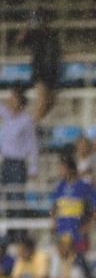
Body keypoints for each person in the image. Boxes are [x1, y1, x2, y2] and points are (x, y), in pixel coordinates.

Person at [50, 153, 96, 252]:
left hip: (78, 234)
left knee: (79, 262)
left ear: (70, 169)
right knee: (64, 263)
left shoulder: (84, 186)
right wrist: (53, 222)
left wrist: (89, 225)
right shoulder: (59, 187)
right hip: (62, 233)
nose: (60, 171)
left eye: (62, 168)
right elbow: (54, 207)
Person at [0, 86, 38, 223]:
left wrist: (33, 167)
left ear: (20, 102)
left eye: (13, 98)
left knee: (17, 197)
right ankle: (11, 230)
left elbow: (32, 145)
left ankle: (19, 231)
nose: (9, 101)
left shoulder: (26, 120)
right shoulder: (7, 115)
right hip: (6, 162)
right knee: (8, 197)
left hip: (17, 163)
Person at [17, 8, 61, 121]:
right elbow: (20, 42)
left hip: (52, 71)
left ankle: (35, 123)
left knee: (51, 101)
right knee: (42, 100)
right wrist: (27, 24)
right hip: (40, 71)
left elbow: (57, 51)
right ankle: (32, 125)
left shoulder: (52, 34)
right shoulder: (33, 34)